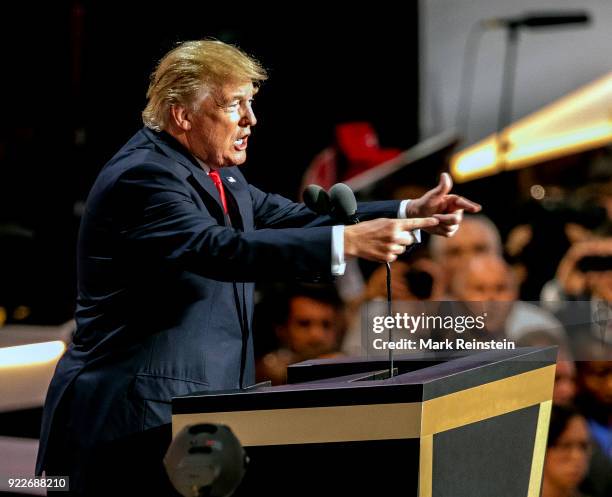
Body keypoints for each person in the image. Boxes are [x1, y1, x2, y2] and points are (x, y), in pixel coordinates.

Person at [36, 39, 480, 494]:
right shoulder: (144, 176)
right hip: (130, 425)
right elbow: (219, 248)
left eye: (251, 103)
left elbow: (290, 216)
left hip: (192, 422)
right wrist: (347, 241)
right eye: (234, 105)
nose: (251, 119)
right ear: (182, 115)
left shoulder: (219, 172)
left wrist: (407, 210)